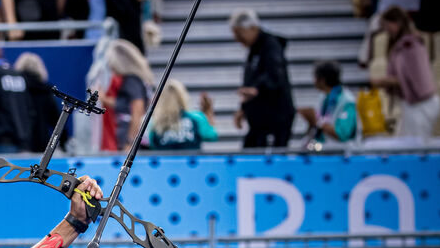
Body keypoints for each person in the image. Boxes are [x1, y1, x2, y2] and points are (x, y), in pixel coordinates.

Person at [230, 8, 296, 149]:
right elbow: (251, 82)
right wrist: (243, 108)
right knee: (250, 153)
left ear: (252, 28)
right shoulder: (254, 50)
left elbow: (275, 75)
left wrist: (256, 89)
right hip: (260, 119)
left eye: (239, 34)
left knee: (272, 159)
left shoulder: (271, 46)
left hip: (276, 118)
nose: (237, 39)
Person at [371, 5, 440, 140]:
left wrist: (384, 81)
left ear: (396, 23)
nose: (386, 30)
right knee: (407, 143)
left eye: (387, 25)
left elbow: (413, 78)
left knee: (416, 147)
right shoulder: (404, 45)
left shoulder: (411, 46)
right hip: (413, 104)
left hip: (421, 104)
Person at [103, 38, 153, 148]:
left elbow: (137, 109)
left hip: (131, 135)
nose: (111, 67)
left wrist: (130, 141)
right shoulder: (135, 79)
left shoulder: (131, 80)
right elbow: (125, 104)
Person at [297, 61, 359, 147]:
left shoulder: (347, 101)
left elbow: (342, 134)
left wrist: (317, 121)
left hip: (343, 155)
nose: (313, 81)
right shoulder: (323, 97)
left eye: (315, 77)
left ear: (322, 80)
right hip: (325, 151)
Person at [148, 77, 217, 150]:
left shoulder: (154, 124)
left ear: (161, 99)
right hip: (191, 160)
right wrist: (208, 114)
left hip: (165, 161)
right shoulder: (197, 118)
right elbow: (212, 136)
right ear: (183, 97)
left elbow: (151, 144)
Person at [14, 51, 62, 153]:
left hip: (21, 145)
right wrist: (64, 142)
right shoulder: (47, 90)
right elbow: (57, 121)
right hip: (43, 144)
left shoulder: (17, 90)